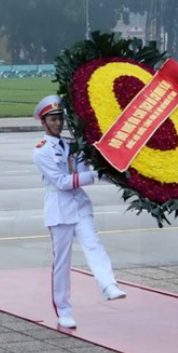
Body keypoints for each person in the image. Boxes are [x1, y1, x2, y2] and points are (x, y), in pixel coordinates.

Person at [32, 95, 126, 329]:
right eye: (52, 119)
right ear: (43, 122)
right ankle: (64, 310)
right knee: (62, 263)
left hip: (80, 205)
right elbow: (63, 182)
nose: (57, 123)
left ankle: (108, 285)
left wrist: (108, 171)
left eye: (60, 118)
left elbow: (85, 169)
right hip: (59, 208)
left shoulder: (72, 144)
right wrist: (94, 175)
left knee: (94, 244)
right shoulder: (41, 151)